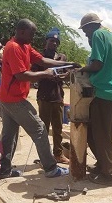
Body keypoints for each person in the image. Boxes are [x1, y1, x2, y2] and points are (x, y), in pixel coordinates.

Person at [0, 18, 80, 180]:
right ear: (21, 32)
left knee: (9, 134)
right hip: (14, 99)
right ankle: (50, 168)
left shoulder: (24, 45)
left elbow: (42, 60)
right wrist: (45, 73)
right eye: (31, 33)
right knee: (40, 129)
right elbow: (21, 76)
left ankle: (5, 170)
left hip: (7, 98)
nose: (33, 36)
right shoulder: (13, 47)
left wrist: (68, 64)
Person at [77, 13, 112, 186]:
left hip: (104, 92)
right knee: (101, 134)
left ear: (91, 26)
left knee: (100, 135)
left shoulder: (98, 35)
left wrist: (81, 70)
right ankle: (101, 165)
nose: (85, 34)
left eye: (85, 31)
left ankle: (108, 176)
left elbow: (97, 65)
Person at [31, 27, 69, 164]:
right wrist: (46, 75)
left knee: (58, 128)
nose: (53, 44)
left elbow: (67, 75)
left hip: (58, 97)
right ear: (45, 42)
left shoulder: (62, 58)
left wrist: (63, 76)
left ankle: (58, 154)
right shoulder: (39, 58)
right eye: (51, 41)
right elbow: (33, 76)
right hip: (44, 97)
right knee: (44, 128)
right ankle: (44, 157)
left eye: (56, 42)